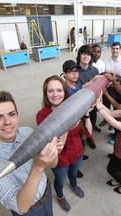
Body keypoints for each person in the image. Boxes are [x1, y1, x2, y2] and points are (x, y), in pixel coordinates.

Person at [0, 91, 60, 216]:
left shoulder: (27, 132)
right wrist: (38, 166)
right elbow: (21, 207)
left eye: (11, 114)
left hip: (47, 194)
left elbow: (54, 164)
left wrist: (52, 150)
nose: (7, 122)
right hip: (29, 212)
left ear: (17, 116)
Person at [36, 75, 92, 213]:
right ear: (45, 93)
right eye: (50, 91)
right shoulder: (42, 116)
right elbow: (56, 148)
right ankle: (60, 196)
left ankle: (73, 185)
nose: (55, 94)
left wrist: (86, 115)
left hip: (77, 152)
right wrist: (68, 126)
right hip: (60, 159)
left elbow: (87, 132)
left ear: (64, 91)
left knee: (73, 173)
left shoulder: (74, 107)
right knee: (60, 179)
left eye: (59, 90)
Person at [76, 45, 101, 134]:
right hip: (80, 102)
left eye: (88, 54)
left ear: (91, 57)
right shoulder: (75, 72)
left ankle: (92, 131)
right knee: (81, 122)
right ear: (79, 56)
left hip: (93, 101)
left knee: (93, 116)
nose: (86, 56)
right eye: (83, 54)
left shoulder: (95, 70)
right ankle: (82, 138)